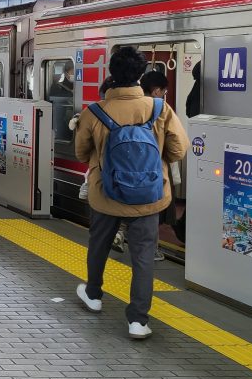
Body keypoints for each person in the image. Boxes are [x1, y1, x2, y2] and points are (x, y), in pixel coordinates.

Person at [74, 46, 189, 340]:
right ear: (140, 74)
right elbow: (178, 150)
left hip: (105, 194)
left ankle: (93, 294)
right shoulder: (161, 109)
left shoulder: (94, 111)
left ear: (111, 72)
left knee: (99, 245)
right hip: (149, 197)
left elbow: (80, 152)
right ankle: (138, 320)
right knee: (143, 257)